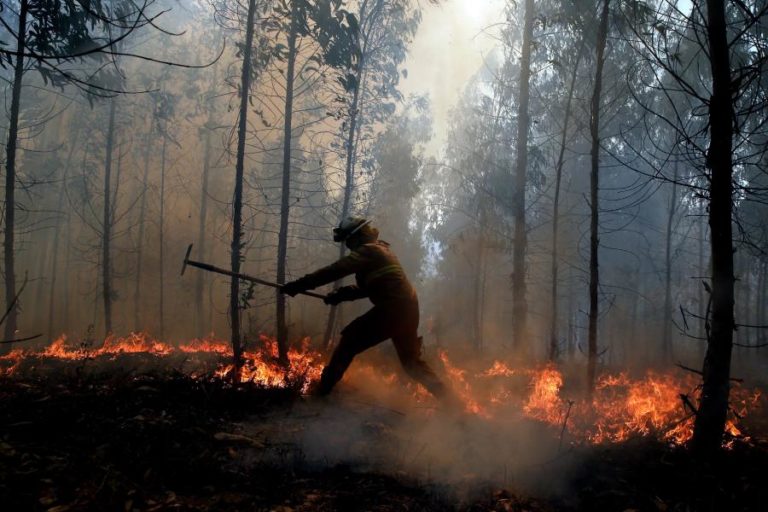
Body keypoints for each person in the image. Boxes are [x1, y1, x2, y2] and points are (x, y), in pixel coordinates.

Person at [282, 217, 447, 398]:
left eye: (350, 241)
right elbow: (370, 288)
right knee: (412, 364)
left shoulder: (369, 250)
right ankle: (453, 404)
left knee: (350, 339)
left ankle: (321, 392)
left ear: (359, 236)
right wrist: (342, 295)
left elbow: (335, 270)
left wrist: (300, 285)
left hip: (393, 308)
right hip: (407, 308)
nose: (349, 246)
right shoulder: (381, 251)